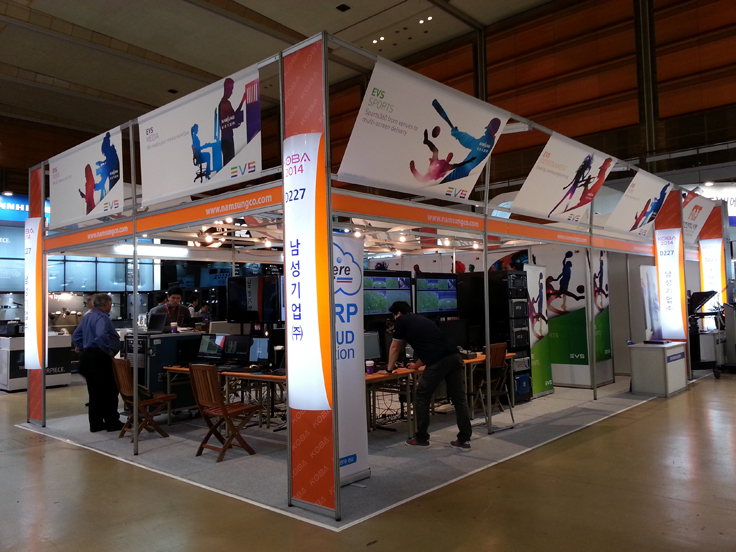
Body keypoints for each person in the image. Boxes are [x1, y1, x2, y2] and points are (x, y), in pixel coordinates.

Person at [387, 301, 472, 450]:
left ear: (398, 313)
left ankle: (421, 438)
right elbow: (429, 345)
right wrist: (416, 365)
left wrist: (389, 369)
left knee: (421, 397)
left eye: (394, 316)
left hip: (438, 362)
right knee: (459, 400)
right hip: (455, 356)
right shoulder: (421, 319)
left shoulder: (401, 320)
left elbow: (395, 347)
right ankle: (464, 440)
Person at [72, 293, 123, 433]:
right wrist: (108, 350)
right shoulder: (102, 317)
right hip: (100, 357)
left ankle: (96, 423)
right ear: (106, 304)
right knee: (110, 390)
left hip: (88, 357)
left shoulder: (88, 316)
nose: (110, 307)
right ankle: (112, 422)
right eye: (110, 304)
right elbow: (101, 335)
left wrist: (82, 347)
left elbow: (76, 335)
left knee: (94, 392)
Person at [218, 77, 247, 166]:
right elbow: (233, 118)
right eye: (230, 89)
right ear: (226, 89)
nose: (231, 92)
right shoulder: (225, 103)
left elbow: (233, 117)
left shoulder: (222, 103)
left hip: (226, 139)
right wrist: (243, 100)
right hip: (227, 139)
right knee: (229, 165)